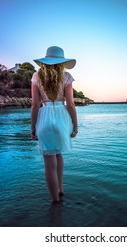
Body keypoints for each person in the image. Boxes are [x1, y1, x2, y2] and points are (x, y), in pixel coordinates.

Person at [30, 46, 78, 205]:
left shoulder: (36, 76)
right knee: (58, 153)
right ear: (61, 62)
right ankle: (60, 189)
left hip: (44, 116)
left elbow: (35, 105)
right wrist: (75, 125)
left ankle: (55, 202)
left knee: (49, 161)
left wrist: (33, 126)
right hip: (62, 118)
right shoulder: (66, 77)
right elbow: (70, 104)